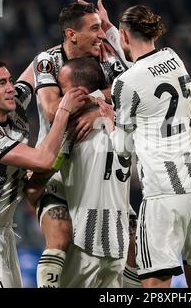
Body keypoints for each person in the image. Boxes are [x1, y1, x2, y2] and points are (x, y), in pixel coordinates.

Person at [101, 5, 191, 288]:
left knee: (156, 284)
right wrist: (112, 32)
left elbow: (122, 147)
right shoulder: (173, 58)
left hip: (165, 193)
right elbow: (143, 70)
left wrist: (110, 121)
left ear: (124, 35)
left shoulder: (125, 83)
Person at [0, 60, 87, 288]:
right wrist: (63, 112)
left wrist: (60, 50)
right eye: (1, 83)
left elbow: (35, 65)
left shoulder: (13, 102)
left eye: (9, 80)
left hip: (4, 233)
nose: (11, 87)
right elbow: (43, 159)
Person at [24, 0, 136, 287]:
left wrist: (96, 104)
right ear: (71, 34)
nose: (101, 35)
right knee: (61, 233)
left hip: (97, 163)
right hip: (59, 161)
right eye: (94, 29)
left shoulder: (107, 57)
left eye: (101, 28)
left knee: (132, 240)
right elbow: (51, 109)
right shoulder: (48, 60)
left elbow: (131, 91)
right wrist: (99, 101)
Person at [44, 57, 131, 287]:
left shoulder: (72, 131)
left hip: (88, 243)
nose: (60, 96)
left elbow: (44, 165)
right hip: (118, 244)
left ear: (77, 92)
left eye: (62, 89)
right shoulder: (124, 123)